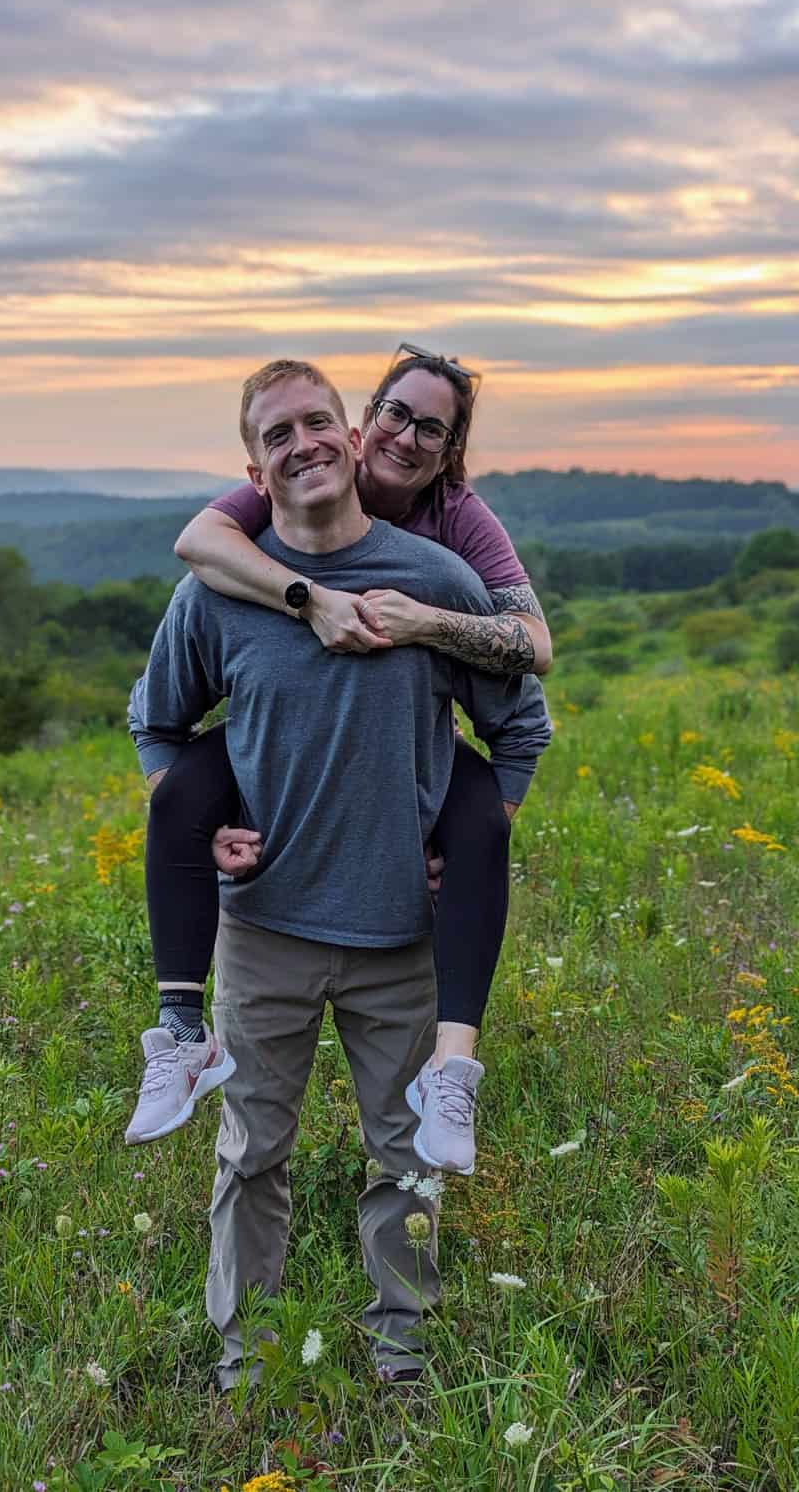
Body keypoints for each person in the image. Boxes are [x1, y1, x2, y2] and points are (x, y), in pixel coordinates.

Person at [128, 359, 551, 1387]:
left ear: (347, 437)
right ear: (254, 463)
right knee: (249, 1158)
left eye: (317, 421)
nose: (304, 442)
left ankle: (401, 1355)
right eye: (279, 433)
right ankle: (247, 1363)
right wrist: (204, 821)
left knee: (403, 1161)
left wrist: (472, 833)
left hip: (401, 931)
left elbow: (518, 721)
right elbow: (159, 724)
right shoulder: (217, 592)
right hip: (265, 931)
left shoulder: (440, 583)